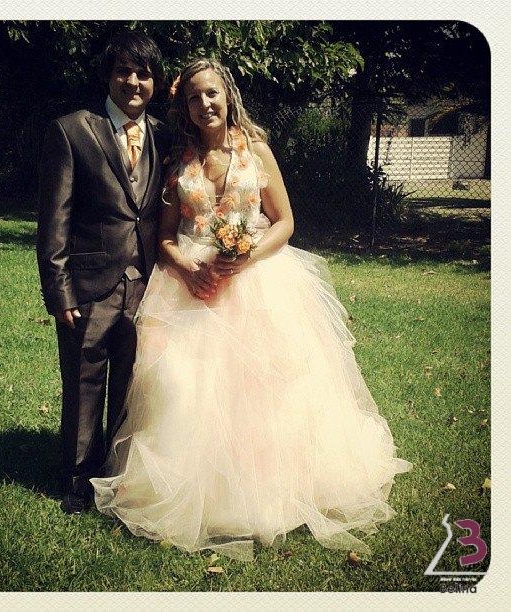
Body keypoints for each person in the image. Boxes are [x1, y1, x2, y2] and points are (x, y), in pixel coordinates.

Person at [90, 58, 411, 560]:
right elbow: (165, 237)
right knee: (184, 387)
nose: (204, 104)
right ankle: (195, 488)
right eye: (193, 98)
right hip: (191, 288)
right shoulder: (178, 161)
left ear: (228, 95)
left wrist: (245, 257)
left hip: (257, 281)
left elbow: (284, 222)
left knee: (263, 391)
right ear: (185, 107)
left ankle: (268, 490)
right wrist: (188, 268)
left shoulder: (255, 150)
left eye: (211, 93)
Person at [36, 31, 171, 514]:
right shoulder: (73, 130)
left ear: (155, 82)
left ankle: (114, 476)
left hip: (147, 285)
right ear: (108, 77)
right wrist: (60, 292)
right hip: (90, 286)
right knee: (84, 383)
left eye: (143, 74)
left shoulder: (164, 135)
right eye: (123, 71)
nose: (133, 82)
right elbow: (54, 219)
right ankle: (77, 481)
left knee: (132, 385)